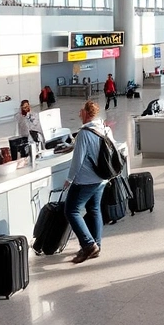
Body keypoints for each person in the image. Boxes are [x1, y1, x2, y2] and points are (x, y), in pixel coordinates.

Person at [64, 100, 114, 264]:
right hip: (101, 178)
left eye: (81, 111)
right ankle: (96, 245)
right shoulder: (104, 129)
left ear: (86, 113)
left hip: (85, 180)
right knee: (94, 209)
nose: (79, 114)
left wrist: (69, 179)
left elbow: (77, 161)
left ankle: (88, 244)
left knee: (71, 210)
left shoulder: (84, 133)